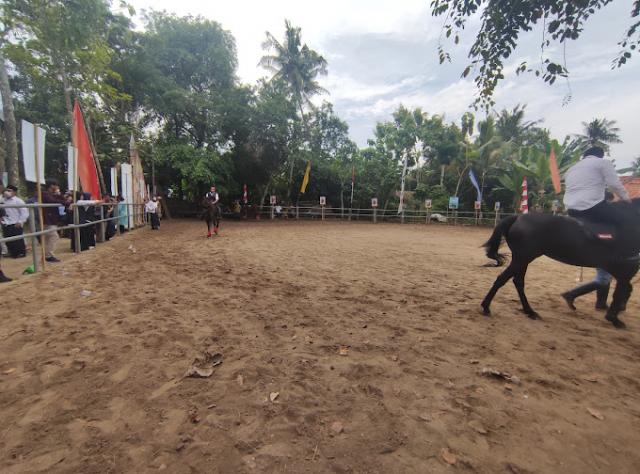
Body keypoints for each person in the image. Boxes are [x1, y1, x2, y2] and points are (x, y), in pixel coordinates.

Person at [563, 146, 631, 226]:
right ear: (601, 155)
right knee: (627, 219)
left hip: (571, 209)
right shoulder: (603, 162)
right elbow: (614, 184)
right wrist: (626, 198)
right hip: (593, 206)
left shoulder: (571, 169)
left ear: (584, 156)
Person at [41, 181, 66, 263]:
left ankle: (47, 255)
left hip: (52, 219)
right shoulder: (45, 194)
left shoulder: (51, 195)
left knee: (49, 237)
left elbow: (64, 201)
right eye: (56, 186)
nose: (57, 187)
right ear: (52, 186)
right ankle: (48, 255)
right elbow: (54, 201)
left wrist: (59, 195)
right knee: (53, 236)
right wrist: (60, 199)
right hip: (47, 219)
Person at [1, 185, 28, 258]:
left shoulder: (18, 201)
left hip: (15, 223)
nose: (6, 192)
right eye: (6, 190)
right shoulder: (3, 200)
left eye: (9, 191)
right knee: (8, 240)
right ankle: (12, 253)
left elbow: (24, 212)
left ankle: (21, 253)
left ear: (14, 192)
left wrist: (20, 221)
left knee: (18, 240)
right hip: (6, 223)